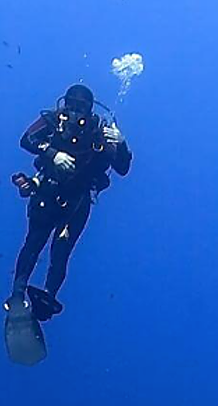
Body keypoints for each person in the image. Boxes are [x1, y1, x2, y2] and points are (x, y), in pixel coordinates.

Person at [8, 83, 132, 320]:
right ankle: (17, 294)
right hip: (45, 194)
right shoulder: (54, 121)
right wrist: (52, 153)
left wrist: (121, 142)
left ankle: (48, 297)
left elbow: (123, 168)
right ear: (63, 104)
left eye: (81, 107)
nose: (74, 112)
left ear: (89, 111)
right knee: (33, 242)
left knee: (61, 252)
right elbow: (26, 140)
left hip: (77, 203)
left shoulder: (99, 132)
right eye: (71, 105)